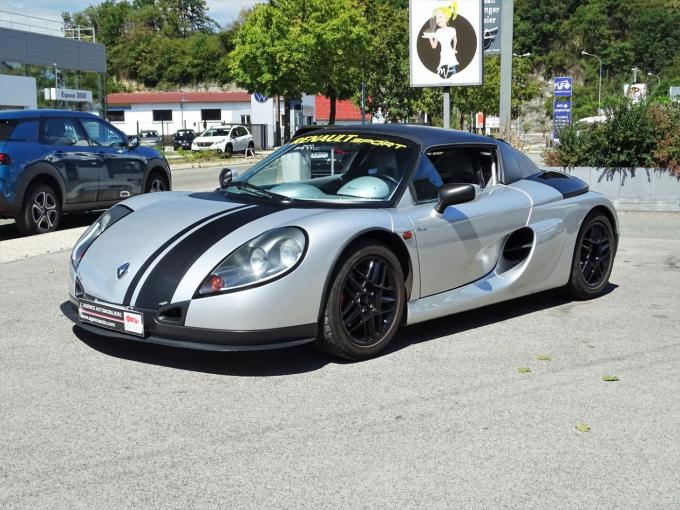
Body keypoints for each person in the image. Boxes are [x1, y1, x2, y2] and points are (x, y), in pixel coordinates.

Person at [423, 2, 459, 79]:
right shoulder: (438, 32)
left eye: (440, 17)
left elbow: (455, 39)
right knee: (442, 77)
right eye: (436, 17)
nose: (438, 20)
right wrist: (430, 38)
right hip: (443, 55)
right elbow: (434, 46)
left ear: (446, 18)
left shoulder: (452, 29)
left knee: (454, 75)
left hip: (450, 54)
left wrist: (454, 48)